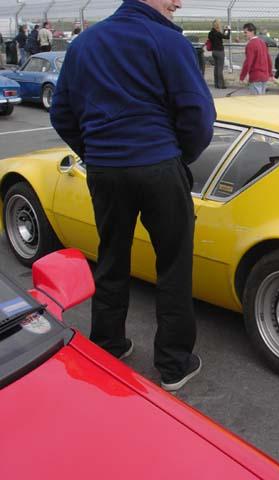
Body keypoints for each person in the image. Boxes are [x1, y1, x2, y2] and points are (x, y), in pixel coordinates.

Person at [50, 0, 215, 392]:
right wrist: (176, 156)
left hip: (105, 171)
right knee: (173, 263)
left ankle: (108, 345)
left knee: (111, 256)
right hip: (158, 165)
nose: (178, 3)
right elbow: (198, 115)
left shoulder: (84, 44)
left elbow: (61, 113)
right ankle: (174, 363)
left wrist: (96, 153)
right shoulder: (167, 40)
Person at [240, 22, 272, 95]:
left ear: (252, 32)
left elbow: (248, 62)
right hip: (264, 76)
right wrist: (270, 74)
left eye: (245, 32)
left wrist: (242, 76)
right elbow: (268, 59)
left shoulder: (251, 44)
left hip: (256, 76)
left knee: (255, 100)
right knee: (261, 99)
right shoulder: (262, 43)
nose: (244, 34)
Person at [208, 19, 231, 89]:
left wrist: (224, 31)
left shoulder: (210, 33)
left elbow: (221, 36)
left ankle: (216, 84)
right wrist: (228, 30)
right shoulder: (218, 33)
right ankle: (220, 85)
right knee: (220, 69)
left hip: (214, 52)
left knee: (216, 68)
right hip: (220, 52)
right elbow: (227, 37)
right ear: (218, 25)